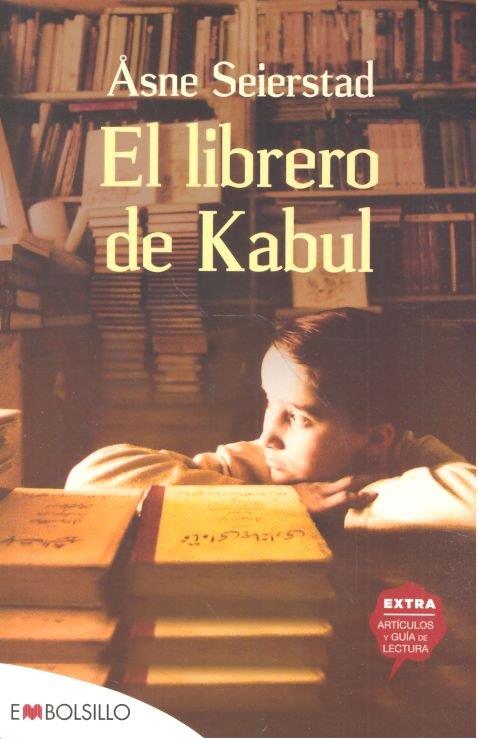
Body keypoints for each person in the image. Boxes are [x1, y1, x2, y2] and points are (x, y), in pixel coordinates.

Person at [66, 308, 475, 536]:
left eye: (297, 417)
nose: (268, 436)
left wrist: (348, 506)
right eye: (269, 402)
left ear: (375, 440)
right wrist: (278, 505)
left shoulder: (408, 455)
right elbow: (93, 477)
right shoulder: (251, 465)